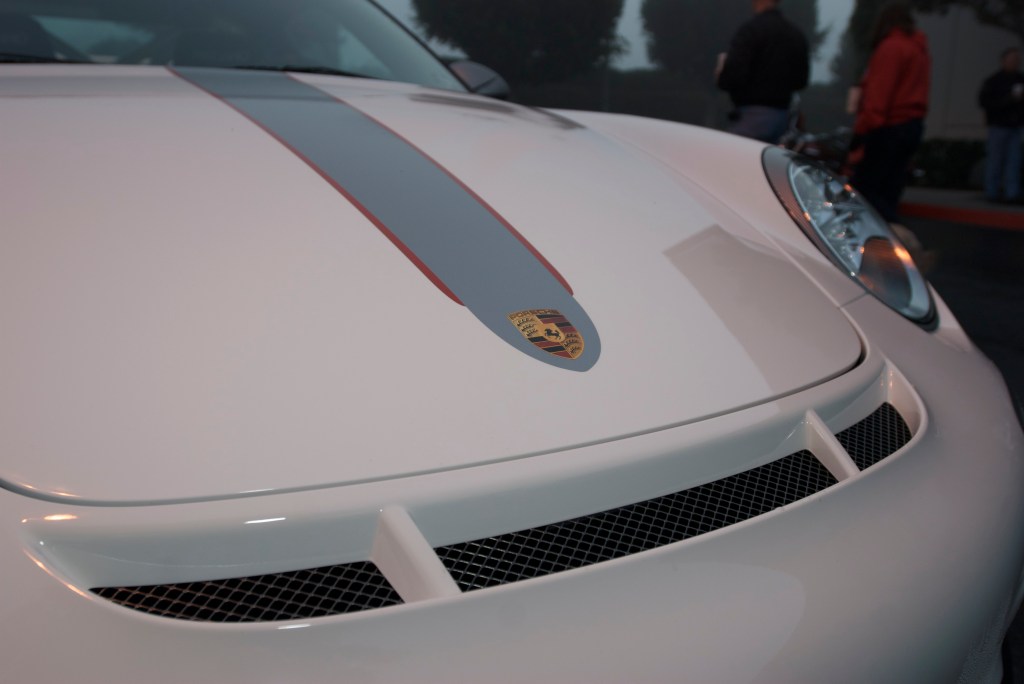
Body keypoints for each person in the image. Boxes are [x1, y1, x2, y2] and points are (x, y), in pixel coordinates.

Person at [850, 3, 930, 223]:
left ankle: (875, 236)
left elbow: (879, 95)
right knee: (890, 189)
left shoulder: (891, 48)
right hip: (911, 124)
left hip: (888, 126)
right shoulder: (918, 49)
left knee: (866, 193)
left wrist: (862, 132)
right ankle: (890, 234)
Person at [716, 0, 809, 144]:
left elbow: (732, 75)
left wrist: (722, 74)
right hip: (782, 119)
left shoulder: (750, 30)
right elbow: (801, 81)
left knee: (730, 154)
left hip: (752, 118)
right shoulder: (796, 34)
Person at [978, 47, 1024, 204]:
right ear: (1003, 61)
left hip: (1015, 127)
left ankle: (1012, 193)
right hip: (998, 126)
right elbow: (985, 102)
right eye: (1012, 59)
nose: (1015, 62)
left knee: (1014, 161)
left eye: (1017, 59)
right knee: (995, 160)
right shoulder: (994, 81)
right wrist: (1009, 99)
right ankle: (992, 192)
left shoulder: (1020, 79)